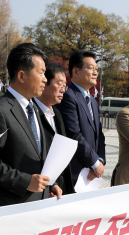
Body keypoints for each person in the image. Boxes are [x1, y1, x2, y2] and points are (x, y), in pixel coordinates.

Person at [0, 43, 62, 208]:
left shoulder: (36, 109)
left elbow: (40, 153)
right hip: (10, 206)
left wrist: (52, 183)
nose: (45, 79)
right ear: (22, 76)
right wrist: (24, 182)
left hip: (40, 202)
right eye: (41, 73)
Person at [55, 50, 106, 185]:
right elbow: (73, 134)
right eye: (90, 68)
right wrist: (94, 162)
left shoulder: (93, 102)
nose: (96, 72)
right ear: (76, 72)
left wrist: (100, 160)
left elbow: (99, 135)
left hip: (92, 172)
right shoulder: (68, 97)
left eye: (96, 69)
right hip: (75, 173)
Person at [33, 62, 74, 194]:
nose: (63, 89)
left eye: (65, 86)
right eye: (59, 84)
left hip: (59, 185)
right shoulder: (31, 114)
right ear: (44, 83)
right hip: (38, 187)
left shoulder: (57, 114)